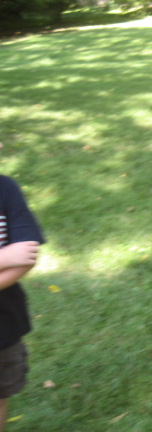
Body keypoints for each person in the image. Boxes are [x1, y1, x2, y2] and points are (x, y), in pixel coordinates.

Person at [0, 175, 44, 432]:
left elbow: (26, 255)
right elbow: (14, 255)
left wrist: (13, 259)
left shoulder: (5, 188)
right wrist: (4, 256)